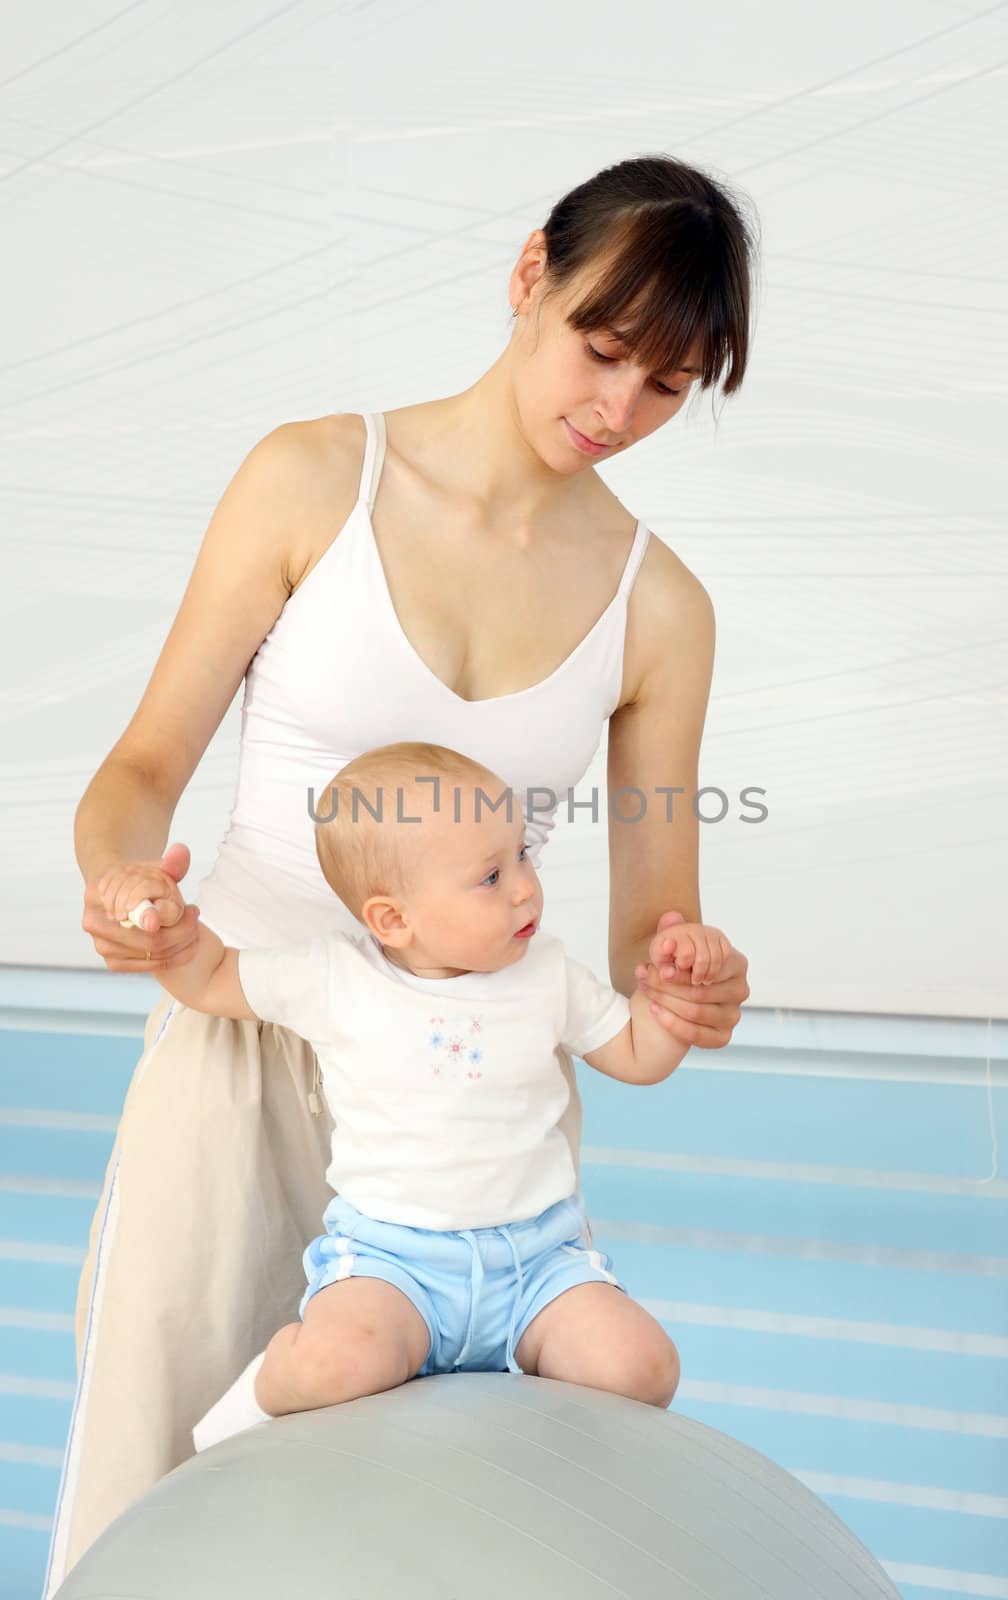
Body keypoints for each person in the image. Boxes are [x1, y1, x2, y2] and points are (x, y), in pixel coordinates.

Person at [46, 151, 755, 1593]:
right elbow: (138, 770)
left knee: (432, 1540)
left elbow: (646, 951)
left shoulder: (661, 609)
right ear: (525, 278)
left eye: (665, 387)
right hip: (243, 1061)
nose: (614, 410)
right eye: (598, 348)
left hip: (475, 1135)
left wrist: (691, 986)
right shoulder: (312, 477)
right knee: (151, 1475)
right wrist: (127, 885)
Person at [104, 742, 713, 1448]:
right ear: (393, 920)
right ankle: (255, 1400)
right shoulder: (337, 977)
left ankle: (520, 1468)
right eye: (490, 876)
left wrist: (674, 1003)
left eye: (522, 856)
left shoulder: (548, 974)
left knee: (640, 1368)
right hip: (397, 1265)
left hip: (538, 1261)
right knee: (339, 1360)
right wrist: (172, 937)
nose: (523, 887)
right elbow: (210, 978)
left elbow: (637, 1055)